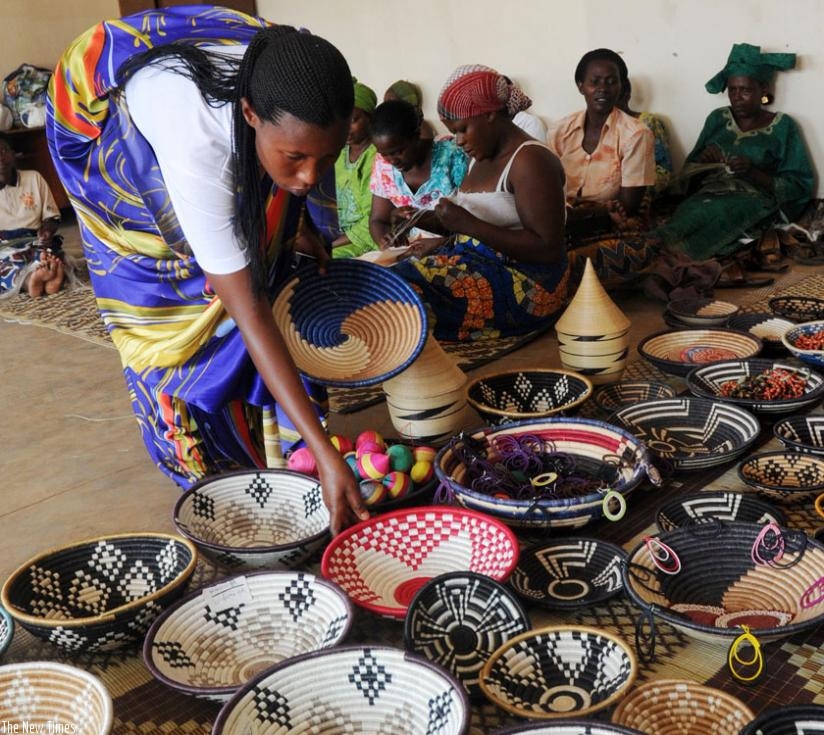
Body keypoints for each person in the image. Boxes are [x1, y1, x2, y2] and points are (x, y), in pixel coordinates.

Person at [47, 6, 368, 534]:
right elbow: (251, 310)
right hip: (94, 112)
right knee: (186, 287)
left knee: (261, 249)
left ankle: (279, 436)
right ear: (248, 115)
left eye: (325, 158)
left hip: (216, 73)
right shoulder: (195, 137)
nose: (311, 176)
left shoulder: (298, 75)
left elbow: (291, 163)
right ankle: (199, 431)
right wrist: (327, 454)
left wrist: (294, 223)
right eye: (295, 158)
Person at [392, 65, 568, 342]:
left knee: (403, 288)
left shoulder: (530, 160)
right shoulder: (480, 157)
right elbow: (478, 225)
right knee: (387, 276)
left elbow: (548, 249)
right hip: (479, 264)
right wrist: (421, 219)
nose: (459, 141)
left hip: (530, 285)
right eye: (454, 132)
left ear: (489, 115)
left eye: (462, 130)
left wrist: (468, 225)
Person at [654, 43, 814, 273]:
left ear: (763, 90)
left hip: (754, 200)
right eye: (732, 90)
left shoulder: (783, 126)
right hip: (709, 194)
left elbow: (799, 186)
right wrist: (704, 163)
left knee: (718, 216)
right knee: (690, 214)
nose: (737, 98)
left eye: (746, 90)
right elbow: (688, 176)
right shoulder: (717, 119)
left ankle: (669, 261)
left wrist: (752, 172)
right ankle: (651, 250)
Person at [547, 48, 656, 289]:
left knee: (552, 256)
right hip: (564, 219)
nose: (602, 89)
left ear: (621, 86)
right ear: (580, 86)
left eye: (611, 82)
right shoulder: (560, 130)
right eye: (594, 82)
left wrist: (586, 214)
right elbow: (549, 190)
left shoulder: (636, 133)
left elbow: (628, 206)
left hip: (610, 224)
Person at [369, 99, 468, 246]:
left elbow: (469, 223)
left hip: (454, 249)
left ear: (416, 136)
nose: (392, 161)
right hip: (409, 253)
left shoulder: (453, 157)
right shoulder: (383, 165)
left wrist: (417, 219)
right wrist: (388, 243)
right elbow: (378, 220)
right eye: (385, 154)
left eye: (398, 151)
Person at [0, 134, 66, 297]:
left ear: (13, 154)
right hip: (4, 246)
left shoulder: (33, 178)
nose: (0, 157)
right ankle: (31, 281)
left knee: (47, 256)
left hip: (35, 240)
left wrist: (47, 231)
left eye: (3, 150)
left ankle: (47, 277)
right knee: (7, 264)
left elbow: (52, 217)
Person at [331, 78, 380, 258]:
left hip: (365, 238)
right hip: (335, 233)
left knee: (324, 262)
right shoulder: (339, 153)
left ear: (370, 117)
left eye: (353, 120)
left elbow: (374, 220)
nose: (346, 128)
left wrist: (330, 243)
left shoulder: (378, 157)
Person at [617, 78, 673, 199]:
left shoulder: (647, 122)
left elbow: (664, 171)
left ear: (627, 95)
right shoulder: (597, 126)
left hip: (638, 191)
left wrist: (629, 186)